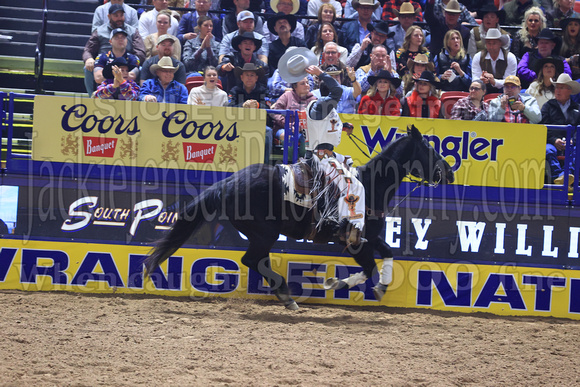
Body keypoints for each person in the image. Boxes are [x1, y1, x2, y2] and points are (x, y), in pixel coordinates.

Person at [303, 64, 366, 246]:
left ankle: (336, 209)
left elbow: (325, 125)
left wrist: (344, 126)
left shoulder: (324, 107)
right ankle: (349, 227)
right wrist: (320, 74)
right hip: (320, 158)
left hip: (326, 153)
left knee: (350, 162)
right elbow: (337, 89)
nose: (339, 95)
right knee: (356, 186)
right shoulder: (322, 103)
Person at [82, 4, 145, 96]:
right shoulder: (99, 31)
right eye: (116, 16)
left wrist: (128, 63)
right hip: (104, 62)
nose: (119, 18)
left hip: (127, 63)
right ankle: (91, 96)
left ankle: (140, 97)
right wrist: (88, 58)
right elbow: (88, 49)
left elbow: (140, 52)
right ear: (109, 16)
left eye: (121, 15)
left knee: (141, 68)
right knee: (88, 67)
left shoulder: (133, 31)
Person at [227, 63, 272, 162]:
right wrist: (243, 106)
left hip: (258, 124)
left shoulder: (263, 91)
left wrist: (258, 106)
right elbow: (229, 109)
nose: (249, 78)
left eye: (252, 75)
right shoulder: (234, 91)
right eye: (247, 75)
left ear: (256, 78)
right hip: (239, 124)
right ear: (241, 77)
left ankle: (265, 164)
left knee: (268, 131)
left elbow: (269, 110)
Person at [540, 73, 580, 185]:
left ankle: (566, 175)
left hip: (572, 143)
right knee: (548, 150)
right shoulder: (548, 106)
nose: (557, 90)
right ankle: (559, 176)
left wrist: (573, 140)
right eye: (556, 87)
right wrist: (554, 140)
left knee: (578, 150)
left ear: (569, 90)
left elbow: (579, 129)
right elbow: (543, 126)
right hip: (552, 142)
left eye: (561, 87)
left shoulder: (578, 108)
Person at [269, 76, 317, 153]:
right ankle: (290, 162)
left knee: (307, 138)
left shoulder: (313, 99)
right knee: (288, 137)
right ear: (295, 87)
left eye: (307, 83)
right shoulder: (287, 95)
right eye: (302, 83)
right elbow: (275, 112)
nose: (307, 85)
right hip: (283, 127)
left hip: (304, 130)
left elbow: (313, 118)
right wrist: (288, 124)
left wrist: (300, 127)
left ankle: (303, 162)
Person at [472, 28, 518, 94]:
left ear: (500, 44)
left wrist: (494, 82)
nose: (491, 47)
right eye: (488, 43)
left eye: (494, 43)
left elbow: (509, 81)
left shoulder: (510, 57)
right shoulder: (478, 57)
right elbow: (475, 79)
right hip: (483, 90)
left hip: (504, 90)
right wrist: (481, 80)